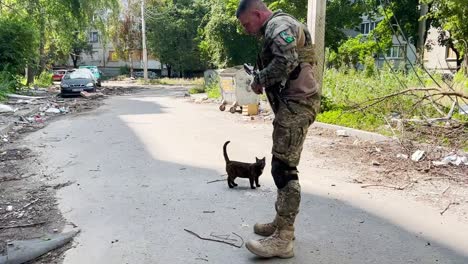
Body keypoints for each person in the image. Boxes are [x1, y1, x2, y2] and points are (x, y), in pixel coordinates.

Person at [236, 0, 321, 258]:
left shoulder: (278, 25)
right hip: (293, 103)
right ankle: (281, 224)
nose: (247, 29)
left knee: (284, 169)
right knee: (280, 164)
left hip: (298, 104)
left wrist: (259, 79)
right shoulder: (277, 26)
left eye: (247, 23)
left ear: (258, 13)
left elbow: (286, 60)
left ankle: (283, 239)